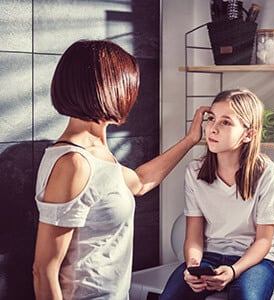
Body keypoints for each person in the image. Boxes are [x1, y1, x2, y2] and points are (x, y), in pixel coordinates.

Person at [32, 39, 209, 300]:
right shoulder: (73, 164)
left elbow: (139, 182)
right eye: (128, 86)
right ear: (109, 90)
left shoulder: (98, 155)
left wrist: (190, 139)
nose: (132, 95)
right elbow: (44, 270)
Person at [160, 89, 274, 300]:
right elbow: (194, 236)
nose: (213, 128)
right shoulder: (194, 172)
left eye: (226, 122)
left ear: (249, 134)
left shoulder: (267, 173)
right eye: (211, 119)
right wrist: (193, 266)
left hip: (255, 260)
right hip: (209, 256)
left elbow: (264, 241)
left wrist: (234, 271)